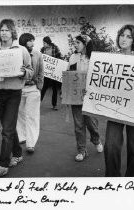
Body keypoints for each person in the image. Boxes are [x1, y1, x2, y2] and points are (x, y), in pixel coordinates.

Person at [0, 19, 33, 177]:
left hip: (14, 92)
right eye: (1, 30)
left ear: (12, 32)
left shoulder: (21, 50)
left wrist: (23, 72)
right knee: (9, 126)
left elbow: (30, 71)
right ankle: (18, 153)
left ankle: (3, 164)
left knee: (6, 130)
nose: (4, 33)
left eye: (7, 30)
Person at [64, 34, 103, 162]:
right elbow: (68, 75)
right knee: (78, 125)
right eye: (74, 42)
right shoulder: (72, 57)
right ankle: (81, 150)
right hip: (76, 97)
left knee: (91, 123)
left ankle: (96, 139)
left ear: (85, 44)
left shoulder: (94, 59)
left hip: (90, 97)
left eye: (78, 42)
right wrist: (65, 92)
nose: (75, 45)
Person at [104, 24, 134, 177]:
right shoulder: (110, 58)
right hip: (115, 107)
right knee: (111, 145)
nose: (124, 39)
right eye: (122, 35)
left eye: (129, 36)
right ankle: (112, 180)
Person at [17, 33, 44, 153]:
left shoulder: (38, 54)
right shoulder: (17, 53)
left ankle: (31, 143)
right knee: (20, 113)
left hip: (33, 88)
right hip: (20, 87)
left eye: (33, 41)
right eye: (30, 41)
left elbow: (41, 71)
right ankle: (22, 136)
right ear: (23, 42)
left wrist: (39, 86)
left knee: (31, 116)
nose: (32, 43)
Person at [40, 36, 63, 110]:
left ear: (48, 42)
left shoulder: (55, 48)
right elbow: (40, 58)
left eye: (44, 43)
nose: (43, 44)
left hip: (54, 72)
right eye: (43, 43)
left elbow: (60, 57)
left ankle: (54, 105)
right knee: (44, 88)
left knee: (54, 89)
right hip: (46, 72)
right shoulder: (43, 49)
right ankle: (38, 103)